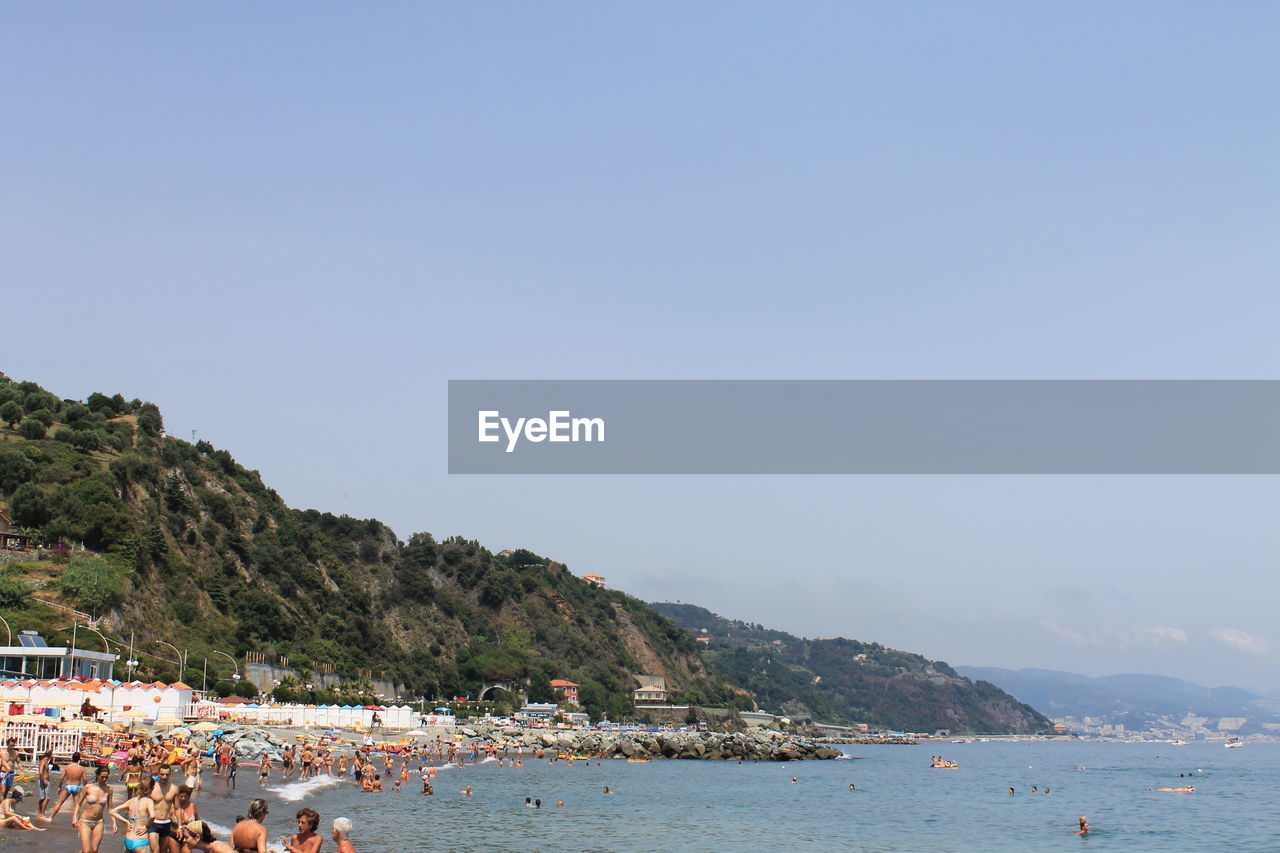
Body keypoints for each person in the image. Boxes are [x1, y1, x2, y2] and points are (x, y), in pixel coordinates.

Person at [72, 766, 116, 853]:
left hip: (99, 822)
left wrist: (114, 823)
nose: (104, 779)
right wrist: (74, 817)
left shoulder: (109, 789)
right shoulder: (88, 787)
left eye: (106, 777)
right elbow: (78, 803)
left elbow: (110, 808)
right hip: (85, 821)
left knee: (94, 850)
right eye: (102, 777)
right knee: (86, 850)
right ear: (97, 775)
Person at [110, 776, 155, 851]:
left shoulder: (131, 801)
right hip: (141, 840)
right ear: (151, 788)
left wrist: (126, 821)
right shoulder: (149, 801)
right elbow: (153, 816)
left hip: (128, 839)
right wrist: (146, 827)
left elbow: (113, 811)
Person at [44, 751, 87, 823]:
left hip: (68, 786)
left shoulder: (67, 767)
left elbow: (61, 778)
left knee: (59, 803)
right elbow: (85, 779)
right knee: (76, 805)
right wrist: (86, 788)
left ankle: (50, 817)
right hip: (76, 787)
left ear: (72, 758)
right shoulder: (82, 768)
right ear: (79, 759)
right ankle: (75, 820)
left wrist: (59, 787)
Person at [149, 765, 180, 853]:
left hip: (166, 823)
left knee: (163, 850)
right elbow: (143, 805)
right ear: (158, 774)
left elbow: (177, 808)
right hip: (153, 823)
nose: (164, 777)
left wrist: (180, 826)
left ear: (170, 775)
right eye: (162, 774)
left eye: (167, 775)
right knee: (155, 850)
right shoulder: (152, 788)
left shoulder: (174, 789)